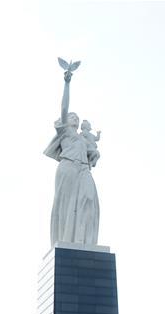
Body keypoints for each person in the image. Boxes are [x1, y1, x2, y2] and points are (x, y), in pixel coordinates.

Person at [44, 67, 100, 246]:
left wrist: (95, 153)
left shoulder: (83, 138)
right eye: (72, 116)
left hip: (83, 170)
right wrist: (67, 83)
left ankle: (84, 241)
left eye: (77, 116)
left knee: (90, 199)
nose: (75, 118)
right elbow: (64, 107)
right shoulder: (65, 131)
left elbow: (92, 153)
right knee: (67, 205)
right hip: (67, 167)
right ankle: (67, 240)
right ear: (66, 120)